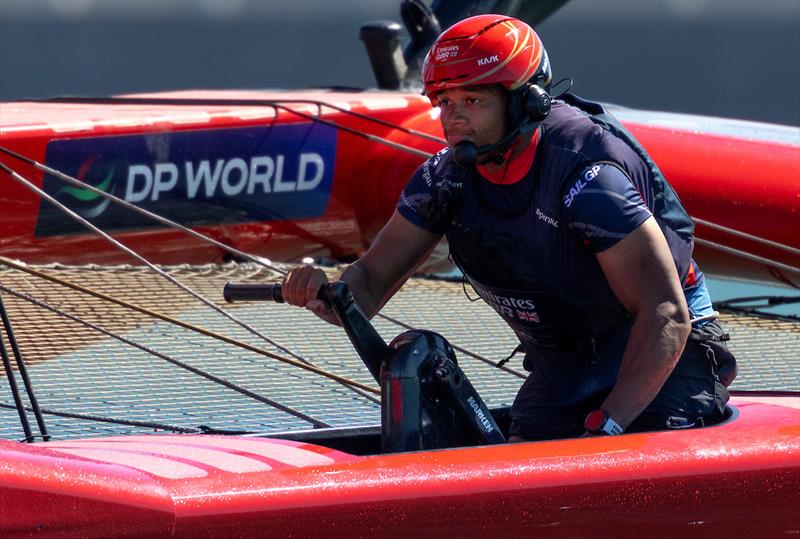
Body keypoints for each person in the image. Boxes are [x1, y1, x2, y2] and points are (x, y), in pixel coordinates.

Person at [281, 14, 737, 440]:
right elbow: (369, 281)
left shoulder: (589, 180)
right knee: (524, 466)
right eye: (444, 102)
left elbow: (666, 317)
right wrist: (327, 294)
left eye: (473, 100)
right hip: (567, 362)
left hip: (666, 352)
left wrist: (606, 431)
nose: (453, 118)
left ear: (526, 103)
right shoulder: (444, 178)